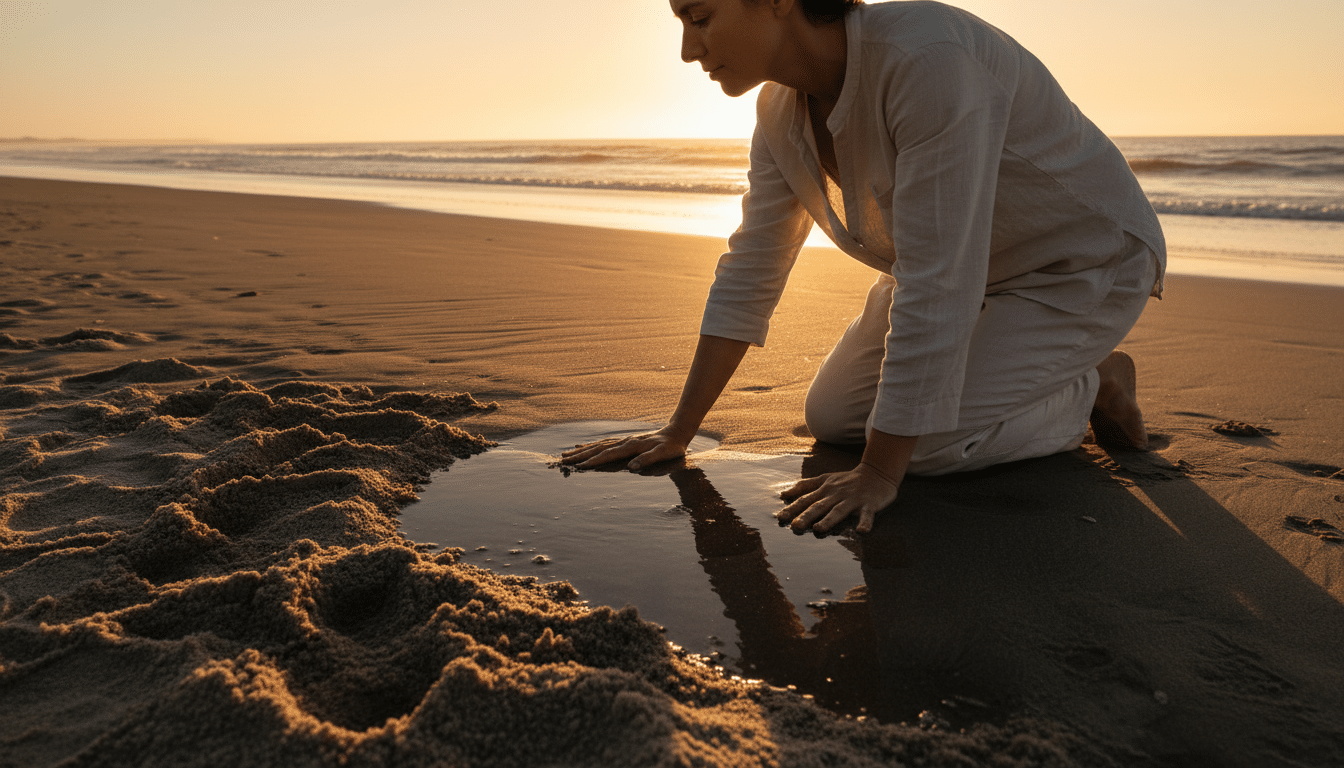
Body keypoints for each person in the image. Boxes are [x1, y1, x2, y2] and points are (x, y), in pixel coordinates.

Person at [561, 0, 1165, 536]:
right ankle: (1043, 368)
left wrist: (878, 473)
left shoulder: (925, 57)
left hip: (1074, 265)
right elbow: (753, 264)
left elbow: (939, 281)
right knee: (832, 416)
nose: (689, 50)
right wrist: (678, 431)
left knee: (920, 447)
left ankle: (1085, 382)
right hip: (961, 271)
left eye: (699, 18)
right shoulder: (778, 110)